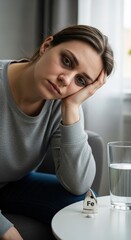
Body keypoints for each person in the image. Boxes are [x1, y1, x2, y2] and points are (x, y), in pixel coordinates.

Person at [0, 24, 114, 239]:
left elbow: (78, 185)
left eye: (81, 80)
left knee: (84, 208)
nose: (66, 79)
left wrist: (72, 108)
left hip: (11, 186)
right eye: (67, 61)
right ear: (46, 46)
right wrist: (4, 229)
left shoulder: (61, 103)